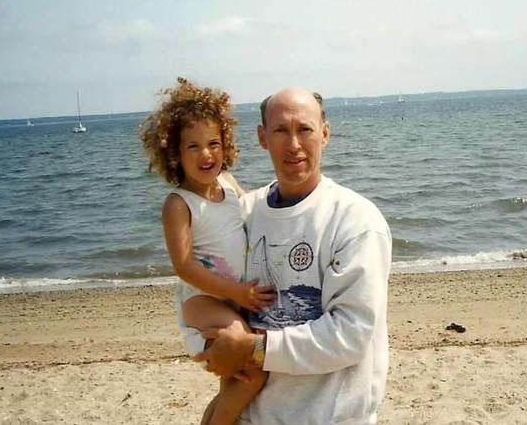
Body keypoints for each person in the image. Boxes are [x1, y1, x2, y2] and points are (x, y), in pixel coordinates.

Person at [193, 87, 393, 424]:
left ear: (325, 134)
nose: (294, 144)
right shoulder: (243, 214)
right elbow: (203, 289)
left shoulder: (355, 220)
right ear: (262, 137)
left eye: (305, 130)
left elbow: (350, 335)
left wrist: (255, 348)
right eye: (281, 131)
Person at [138, 78, 276, 425]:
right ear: (174, 154)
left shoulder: (228, 184)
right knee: (253, 367)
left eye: (214, 143)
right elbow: (183, 266)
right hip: (203, 298)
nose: (207, 154)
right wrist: (236, 293)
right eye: (193, 146)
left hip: (233, 296)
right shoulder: (179, 204)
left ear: (226, 143)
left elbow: (252, 214)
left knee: (234, 380)